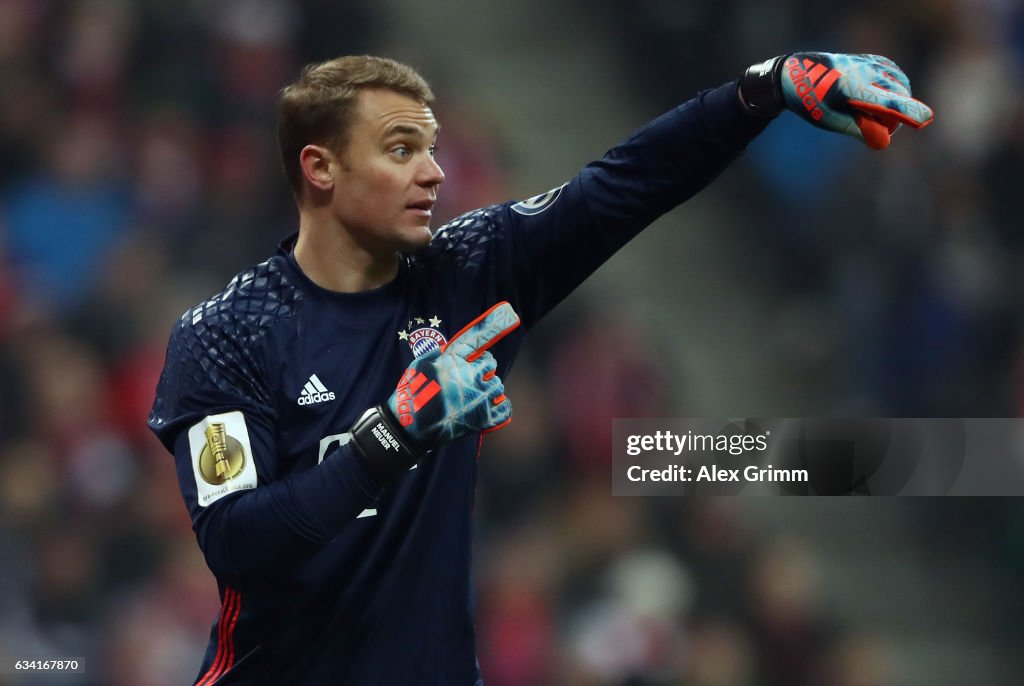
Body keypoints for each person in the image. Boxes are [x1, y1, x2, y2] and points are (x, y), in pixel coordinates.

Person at [148, 53, 932, 684]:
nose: (434, 172)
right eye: (400, 150)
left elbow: (622, 186)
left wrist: (763, 92)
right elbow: (238, 543)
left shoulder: (468, 273)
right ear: (319, 168)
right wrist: (395, 434)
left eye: (429, 147)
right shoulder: (226, 334)